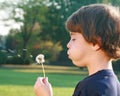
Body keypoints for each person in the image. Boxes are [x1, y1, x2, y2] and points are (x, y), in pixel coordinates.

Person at [34, 3, 120, 96]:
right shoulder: (115, 85)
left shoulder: (89, 87)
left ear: (96, 43)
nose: (68, 44)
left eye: (74, 39)